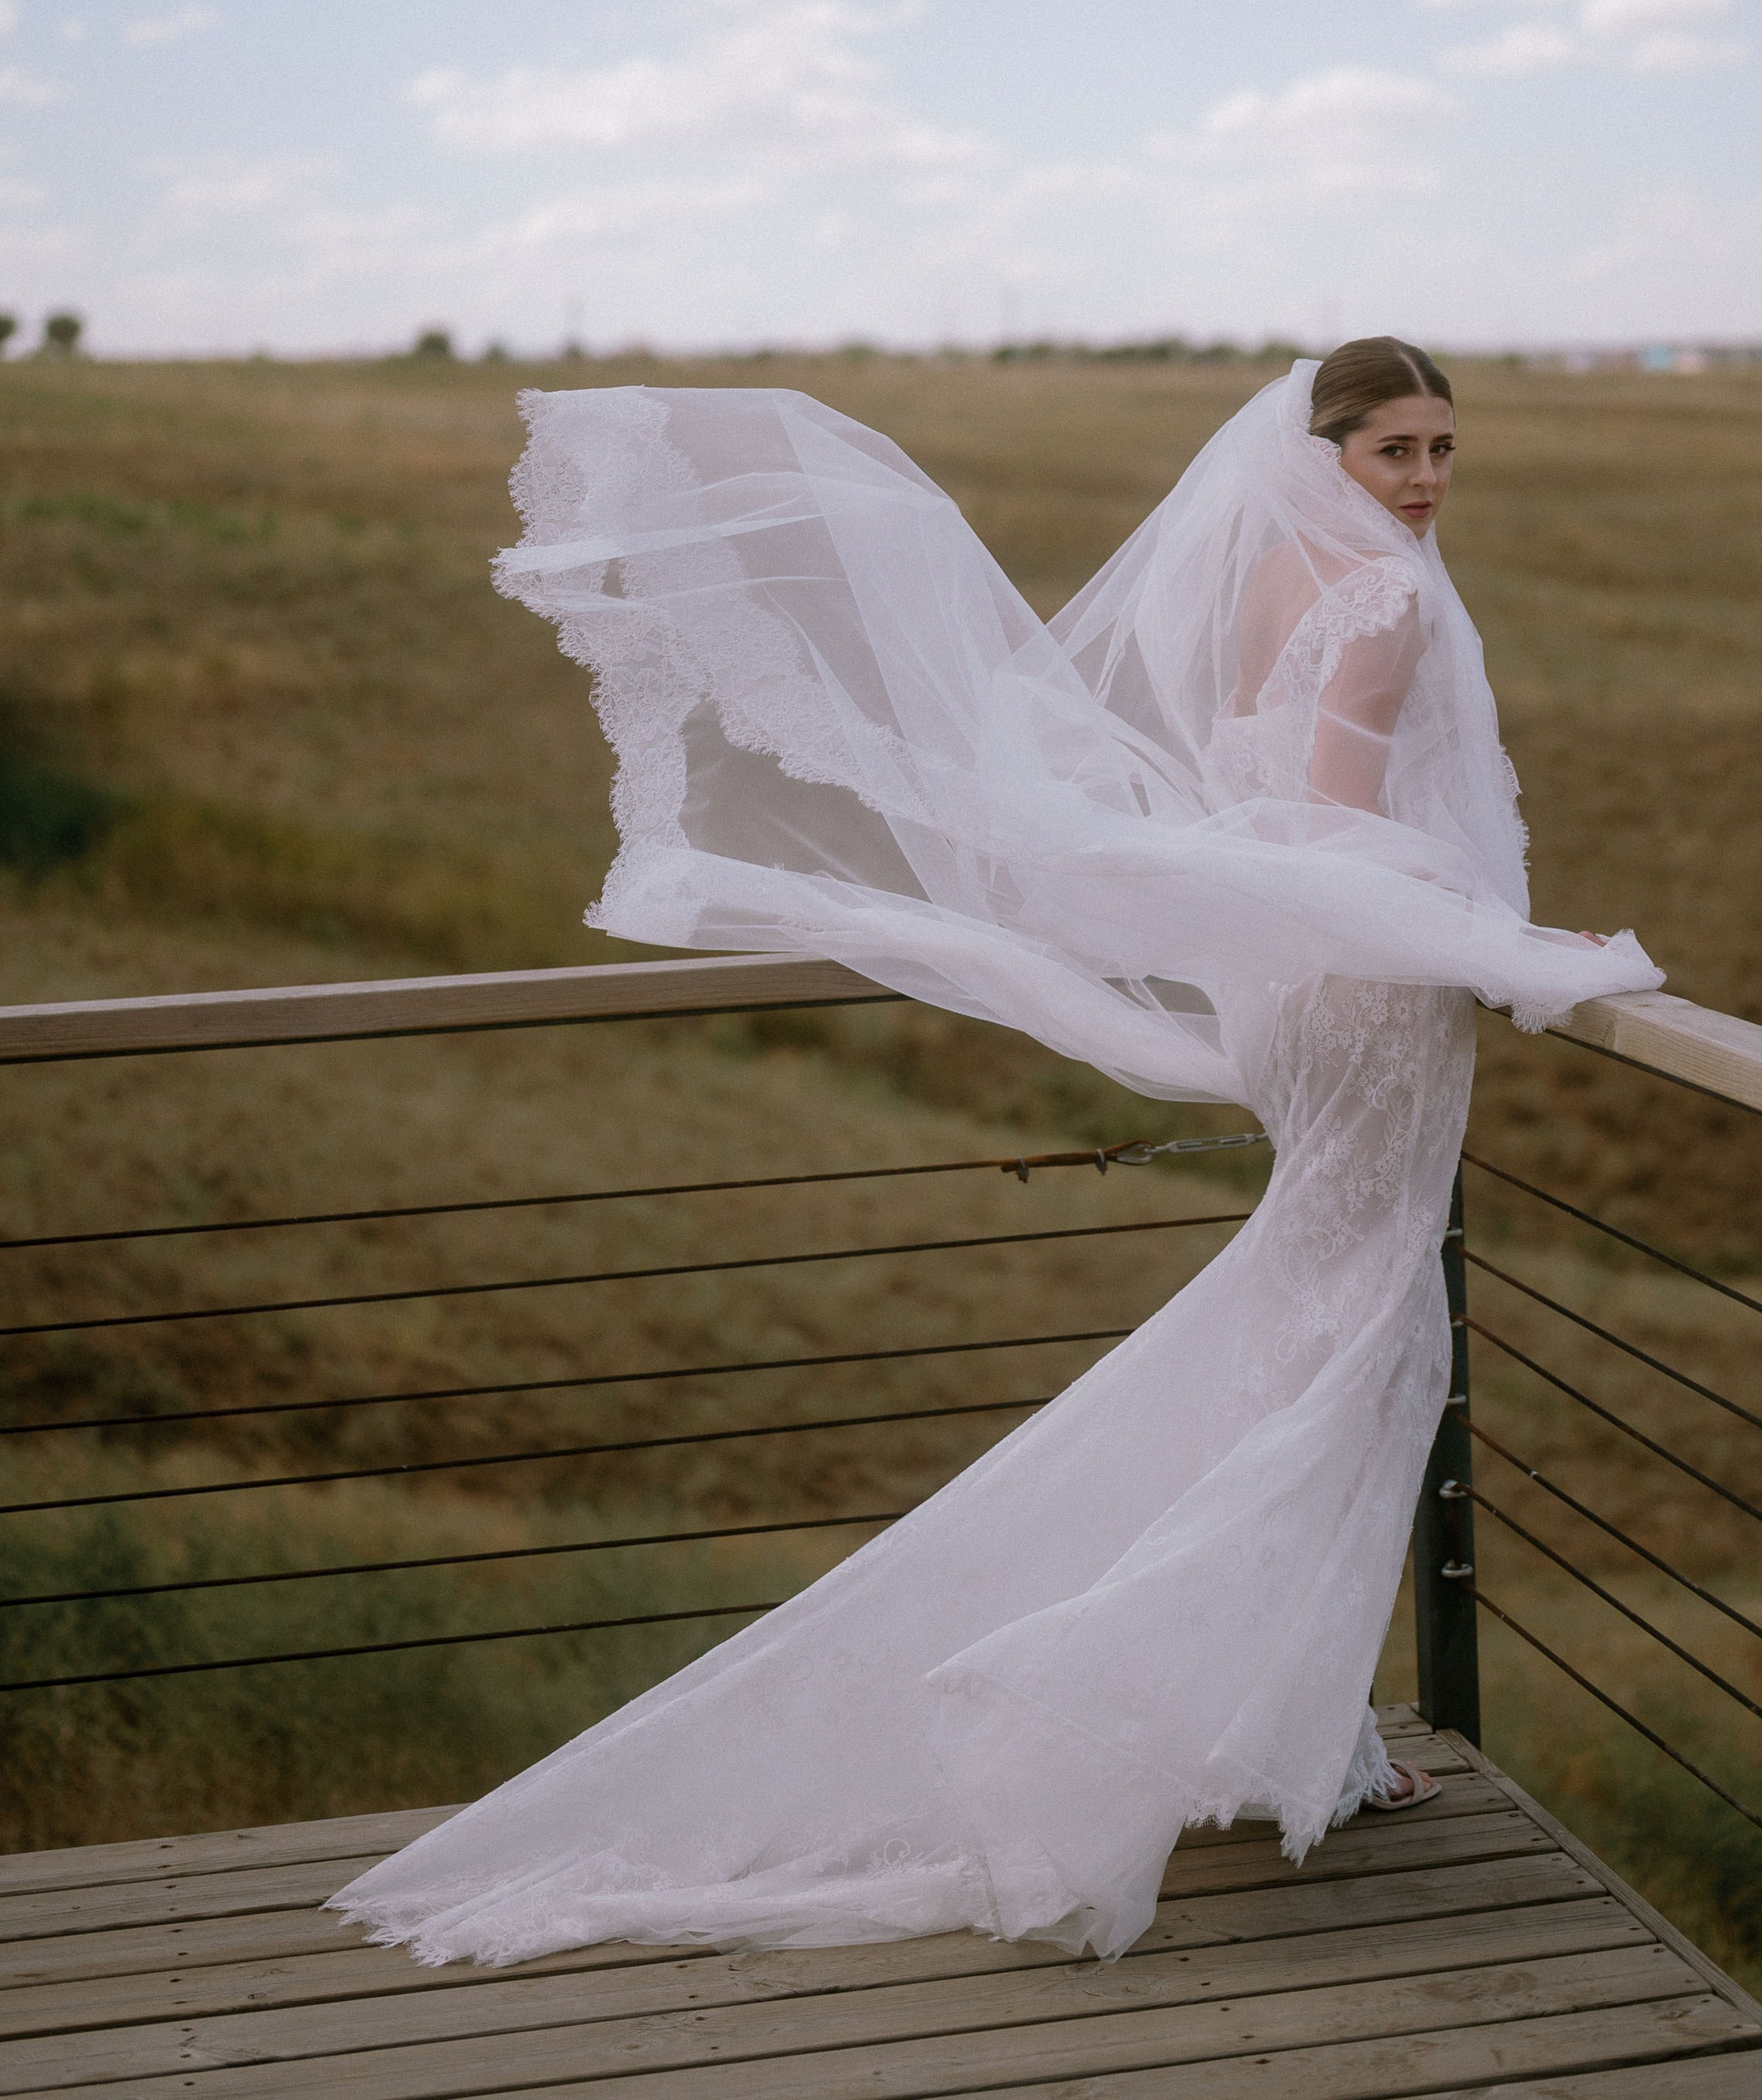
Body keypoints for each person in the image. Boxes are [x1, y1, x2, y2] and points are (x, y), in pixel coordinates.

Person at [335, 340, 1660, 1969]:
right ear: (1325, 459)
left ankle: (1295, 1721)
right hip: (1369, 995)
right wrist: (1502, 941)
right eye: (1396, 449)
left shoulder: (1276, 579)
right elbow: (1329, 820)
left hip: (1297, 1000)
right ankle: (1126, 1685)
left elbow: (1260, 797)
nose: (1429, 479)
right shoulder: (1380, 596)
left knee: (1315, 1328)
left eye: (1445, 447)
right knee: (1364, 1342)